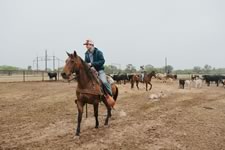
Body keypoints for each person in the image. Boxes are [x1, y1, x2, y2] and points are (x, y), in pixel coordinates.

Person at [83, 39, 115, 104]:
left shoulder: (98, 52)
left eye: (87, 45)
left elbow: (102, 61)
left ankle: (110, 95)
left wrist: (92, 64)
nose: (86, 46)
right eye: (86, 45)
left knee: (104, 81)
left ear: (91, 45)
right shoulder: (86, 54)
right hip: (91, 71)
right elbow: (86, 62)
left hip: (100, 70)